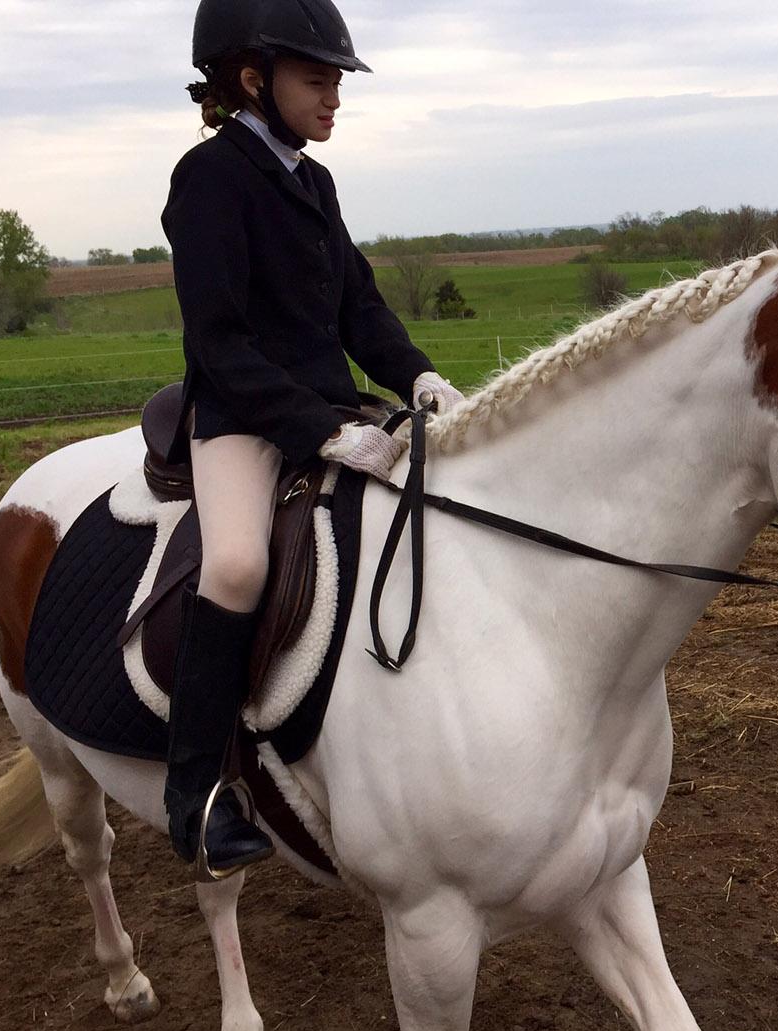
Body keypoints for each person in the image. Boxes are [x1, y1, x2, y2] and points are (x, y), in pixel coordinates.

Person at [160, 0, 464, 880]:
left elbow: (358, 307)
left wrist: (416, 376)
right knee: (238, 568)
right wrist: (321, 428)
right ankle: (198, 797)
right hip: (244, 419)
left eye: (337, 80)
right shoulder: (207, 179)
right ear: (254, 80)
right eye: (318, 79)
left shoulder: (312, 181)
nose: (336, 97)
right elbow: (219, 343)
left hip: (333, 411)